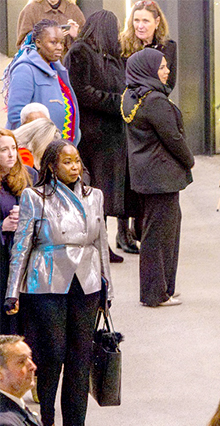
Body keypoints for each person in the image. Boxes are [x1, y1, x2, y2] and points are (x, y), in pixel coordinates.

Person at [4, 140, 113, 426]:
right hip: (46, 282)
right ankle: (47, 420)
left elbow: (101, 242)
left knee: (81, 354)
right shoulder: (34, 197)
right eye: (67, 162)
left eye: (77, 161)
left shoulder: (94, 197)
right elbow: (21, 246)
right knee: (52, 353)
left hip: (87, 281)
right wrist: (13, 290)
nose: (75, 167)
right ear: (51, 166)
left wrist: (108, 286)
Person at [123, 48, 194, 307]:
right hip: (161, 176)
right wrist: (189, 159)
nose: (167, 71)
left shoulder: (131, 95)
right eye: (162, 67)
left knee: (157, 232)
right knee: (160, 235)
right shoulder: (155, 100)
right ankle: (157, 293)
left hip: (146, 174)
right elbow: (173, 137)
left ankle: (163, 288)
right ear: (148, 69)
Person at [64, 10, 131, 264]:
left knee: (104, 196)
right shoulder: (81, 53)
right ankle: (96, 246)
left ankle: (102, 244)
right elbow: (82, 92)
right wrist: (118, 103)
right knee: (96, 195)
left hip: (110, 136)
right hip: (94, 136)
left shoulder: (109, 56)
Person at [5, 19, 80, 144]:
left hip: (57, 148)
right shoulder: (25, 69)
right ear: (38, 43)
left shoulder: (57, 68)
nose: (60, 47)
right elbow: (16, 116)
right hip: (35, 150)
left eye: (61, 42)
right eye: (53, 42)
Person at [0, 130, 37, 335]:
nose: (11, 154)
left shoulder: (30, 175)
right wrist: (2, 226)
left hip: (25, 252)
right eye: (4, 150)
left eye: (13, 148)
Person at [120, 0, 177, 91]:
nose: (140, 26)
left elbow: (169, 83)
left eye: (145, 21)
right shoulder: (122, 46)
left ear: (157, 22)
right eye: (136, 20)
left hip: (156, 100)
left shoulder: (168, 47)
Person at [15, 0, 83, 52]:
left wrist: (76, 35)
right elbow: (22, 44)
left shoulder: (73, 10)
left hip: (67, 65)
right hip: (40, 65)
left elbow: (87, 44)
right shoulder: (30, 10)